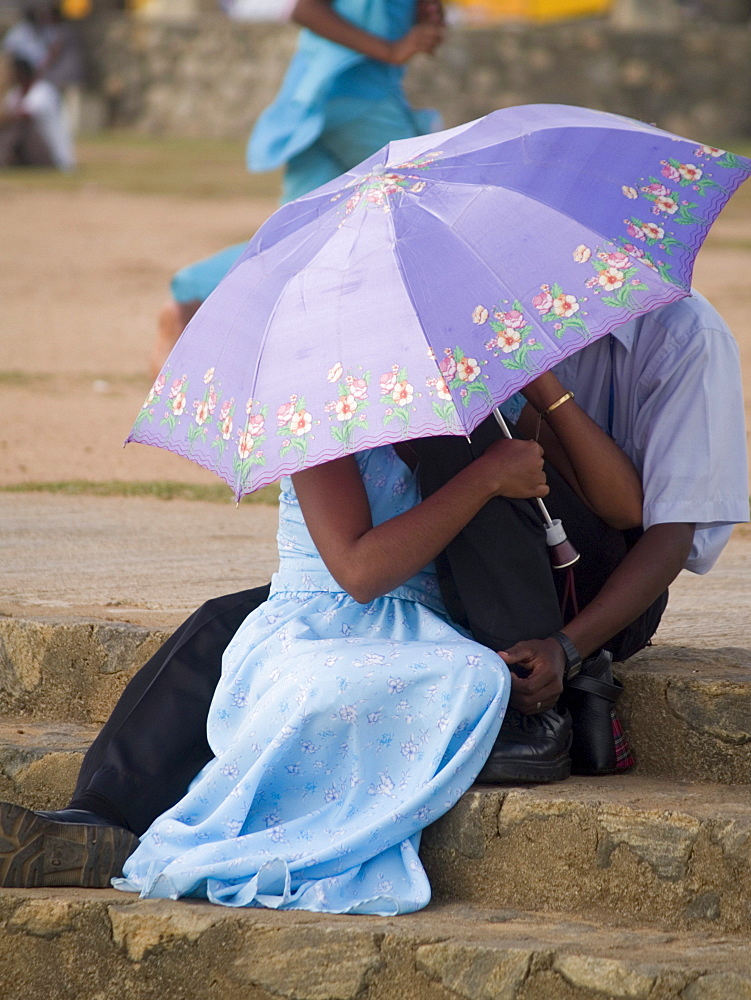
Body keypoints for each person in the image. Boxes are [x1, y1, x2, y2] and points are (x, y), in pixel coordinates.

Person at [0, 364, 646, 898]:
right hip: (327, 616)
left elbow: (621, 505)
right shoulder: (313, 406)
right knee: (277, 662)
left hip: (425, 624)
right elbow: (359, 571)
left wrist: (543, 392)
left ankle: (131, 838)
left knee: (475, 674)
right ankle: (126, 837)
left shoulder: (476, 402)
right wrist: (484, 478)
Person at [150, 0, 445, 378]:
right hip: (359, 101)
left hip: (321, 97)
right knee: (419, 211)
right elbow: (304, 8)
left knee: (298, 239)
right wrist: (391, 49)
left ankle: (192, 295)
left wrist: (423, 17)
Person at [0, 55, 75, 170]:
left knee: (18, 126)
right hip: (29, 153)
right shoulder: (14, 94)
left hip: (51, 154)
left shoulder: (43, 91)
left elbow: (23, 116)